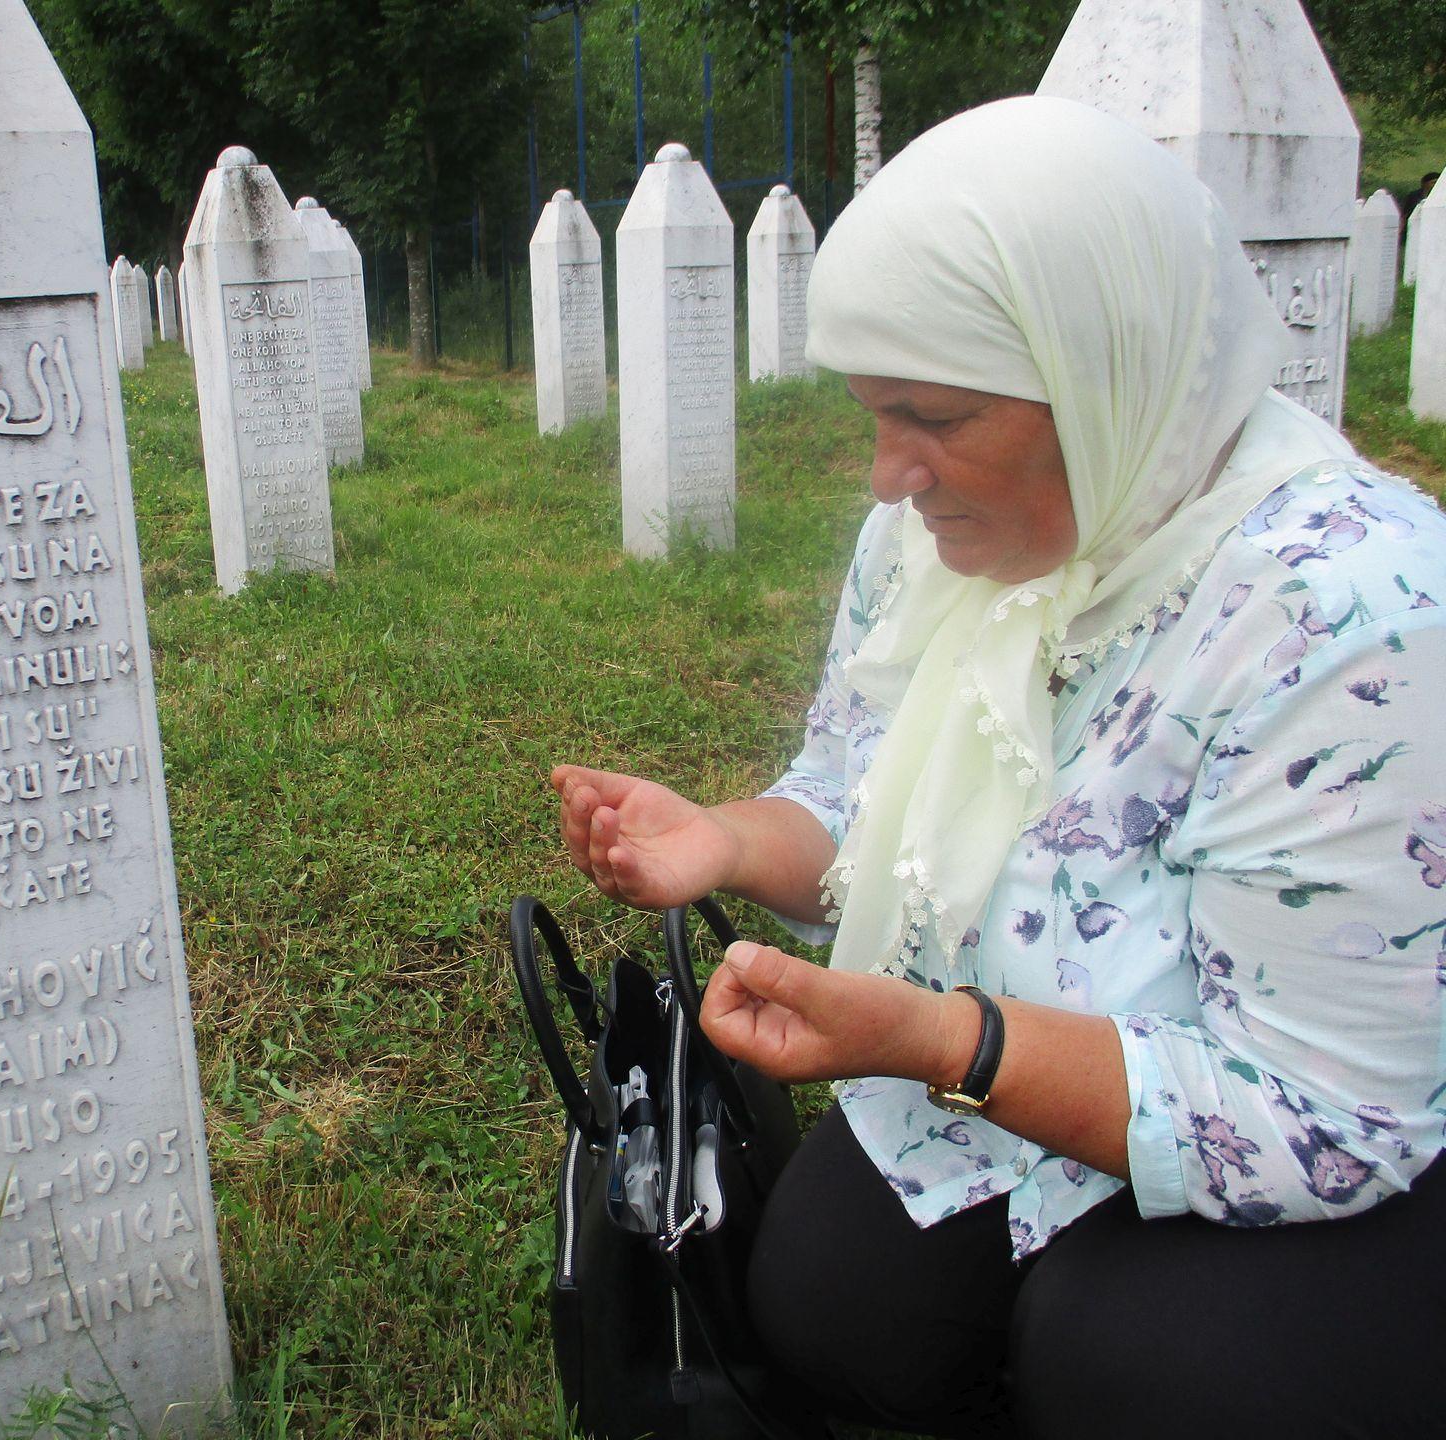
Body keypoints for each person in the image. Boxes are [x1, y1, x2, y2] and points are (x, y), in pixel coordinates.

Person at [552, 96, 1446, 1439]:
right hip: (1010, 1042)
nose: (887, 475)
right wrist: (730, 842)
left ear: (1105, 368)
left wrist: (939, 1040)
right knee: (828, 1307)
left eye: (936, 418)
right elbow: (860, 794)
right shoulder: (937, 538)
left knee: (1149, 1367)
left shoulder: (1350, 615)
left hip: (1317, 1130)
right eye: (871, 415)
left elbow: (1317, 1110)